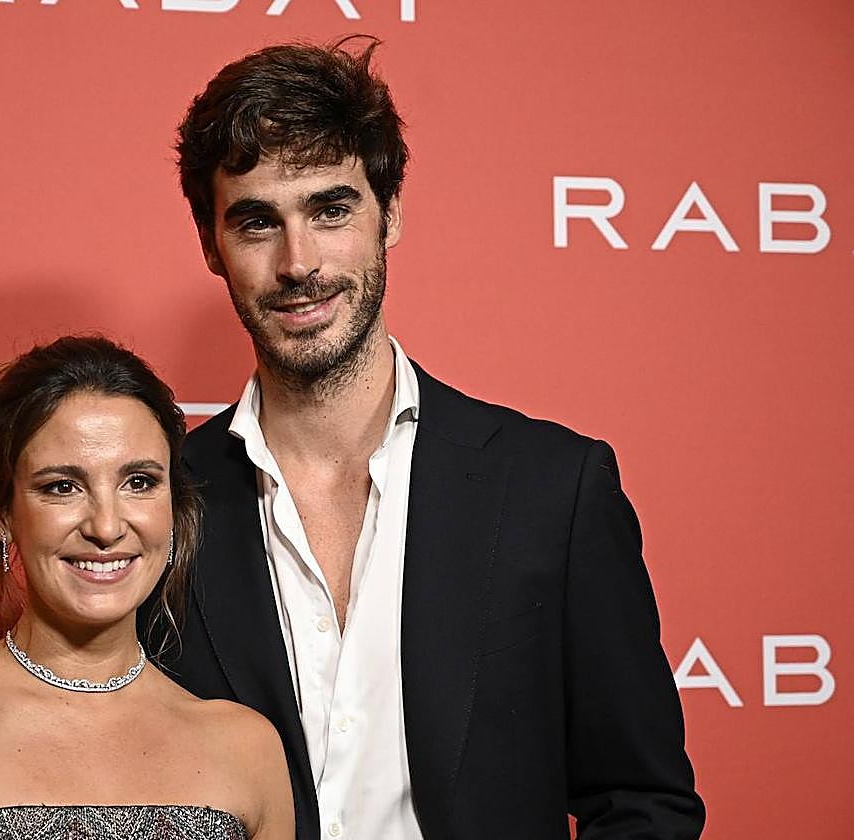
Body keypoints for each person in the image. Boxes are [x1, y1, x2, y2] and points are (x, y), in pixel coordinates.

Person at [144, 37, 705, 840]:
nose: (299, 263)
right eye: (258, 222)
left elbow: (645, 804)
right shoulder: (160, 505)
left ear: (391, 213)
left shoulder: (553, 489)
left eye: (331, 209)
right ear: (211, 246)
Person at [0, 336, 294, 840]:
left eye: (139, 482)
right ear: (4, 516)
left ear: (174, 510)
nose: (106, 527)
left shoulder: (246, 748)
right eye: (62, 487)